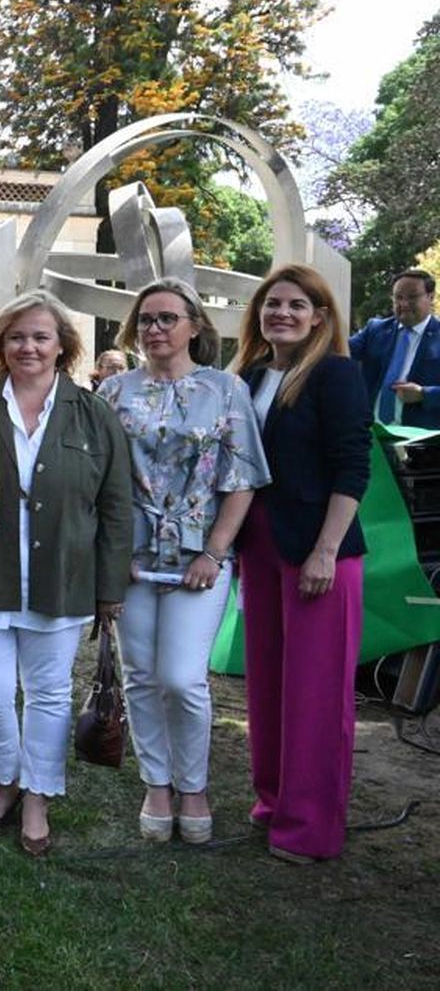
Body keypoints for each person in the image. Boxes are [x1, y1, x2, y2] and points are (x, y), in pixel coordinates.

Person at [98, 278, 268, 844]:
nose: (154, 329)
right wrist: (110, 550)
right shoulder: (115, 392)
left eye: (167, 318)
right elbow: (100, 478)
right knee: (141, 678)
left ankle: (193, 786)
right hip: (132, 555)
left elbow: (241, 479)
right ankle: (157, 785)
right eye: (146, 319)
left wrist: (216, 552)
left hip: (199, 554)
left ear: (195, 326)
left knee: (183, 679)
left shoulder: (225, 390)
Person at [0, 292, 133, 856]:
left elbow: (115, 504)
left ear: (62, 345)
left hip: (64, 577)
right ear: (0, 345)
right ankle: (4, 781)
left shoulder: (93, 411)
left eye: (40, 336)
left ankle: (37, 793)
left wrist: (109, 587)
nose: (28, 346)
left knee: (48, 693)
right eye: (17, 336)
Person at [229, 265, 370, 863]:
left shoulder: (335, 374)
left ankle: (308, 828)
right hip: (260, 544)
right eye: (271, 304)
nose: (281, 313)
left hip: (320, 552)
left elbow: (352, 466)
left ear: (320, 316)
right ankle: (272, 801)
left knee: (315, 693)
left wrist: (326, 551)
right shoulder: (252, 375)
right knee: (266, 684)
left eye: (295, 304)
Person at [349, 268, 440, 429]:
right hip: (370, 436)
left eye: (412, 297)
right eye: (398, 297)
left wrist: (424, 394)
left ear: (430, 297)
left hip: (421, 443)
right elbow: (340, 352)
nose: (404, 304)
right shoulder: (375, 330)